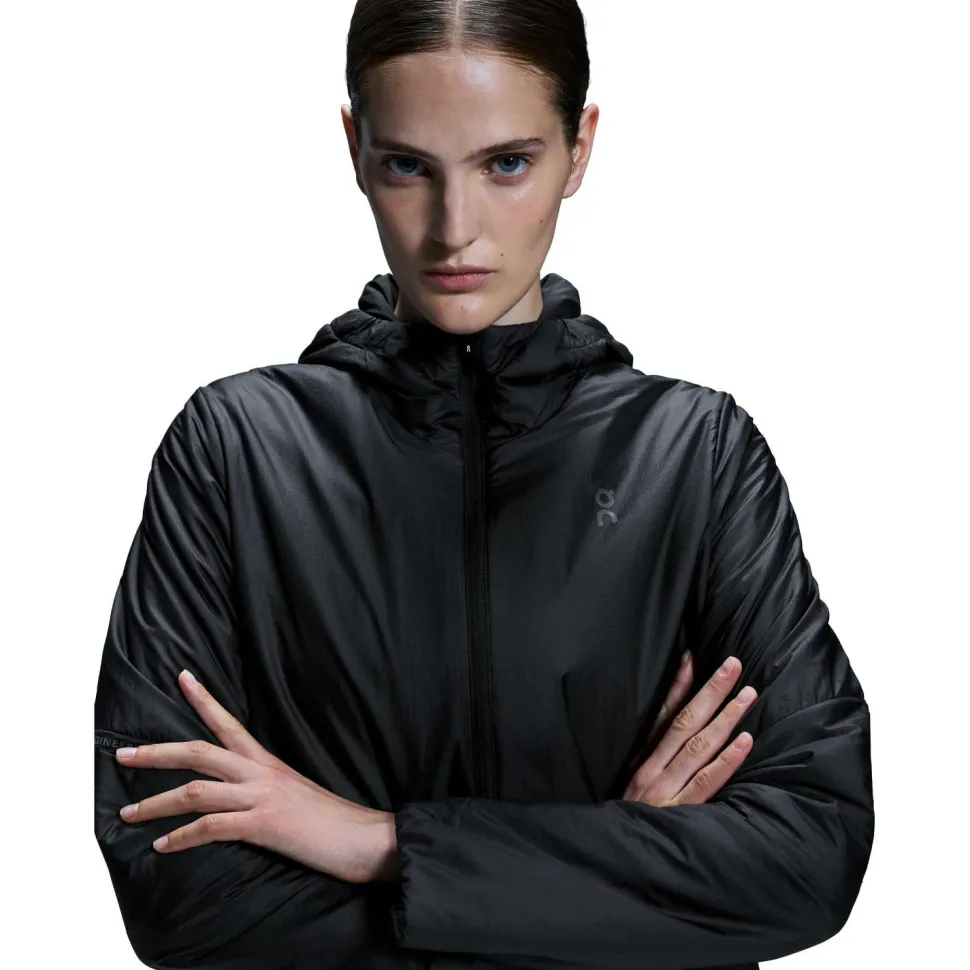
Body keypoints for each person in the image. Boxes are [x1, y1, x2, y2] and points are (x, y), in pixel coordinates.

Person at [93, 1, 874, 968]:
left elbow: (812, 855)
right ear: (354, 148)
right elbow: (179, 897)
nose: (454, 230)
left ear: (579, 148)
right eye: (407, 166)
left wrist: (377, 844)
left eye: (506, 163)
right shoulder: (235, 449)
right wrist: (616, 876)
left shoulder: (696, 456)